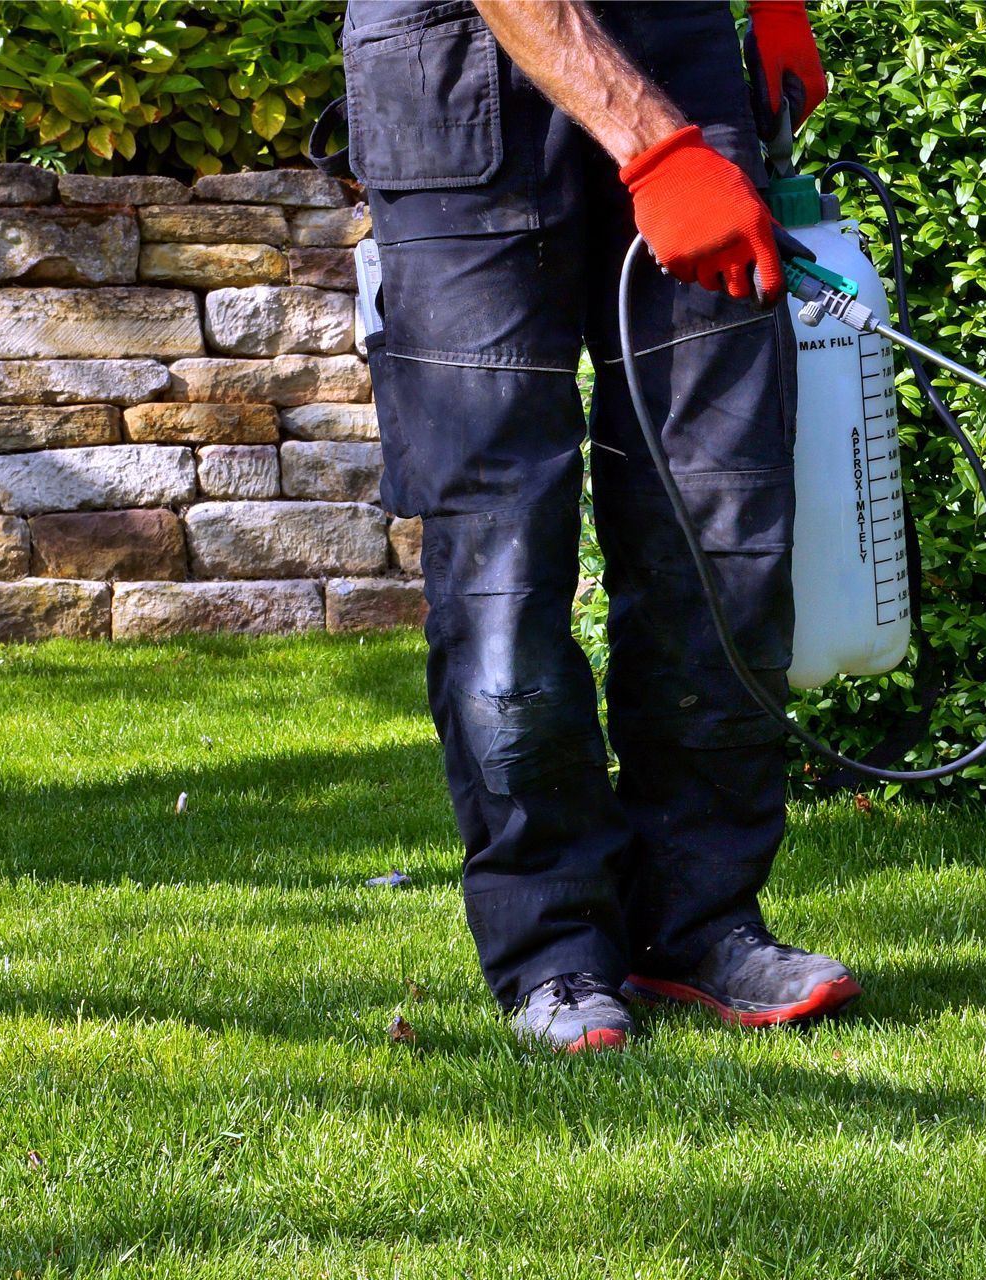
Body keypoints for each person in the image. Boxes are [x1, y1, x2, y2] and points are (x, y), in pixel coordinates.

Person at [323, 0, 859, 1051]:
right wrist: (660, 149)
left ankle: (700, 923)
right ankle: (554, 947)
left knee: (722, 515)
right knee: (501, 551)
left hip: (685, 48)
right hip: (455, 69)